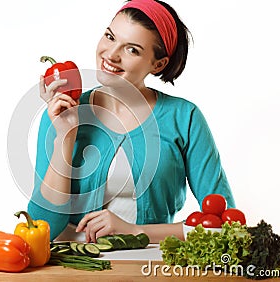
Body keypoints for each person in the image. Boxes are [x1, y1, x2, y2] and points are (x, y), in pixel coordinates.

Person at [27, 0, 235, 243]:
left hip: (150, 268)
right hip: (73, 266)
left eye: (132, 49)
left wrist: (136, 231)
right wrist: (65, 134)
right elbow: (44, 227)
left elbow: (224, 224)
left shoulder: (184, 118)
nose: (111, 55)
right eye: (110, 36)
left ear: (159, 64)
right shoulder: (62, 112)